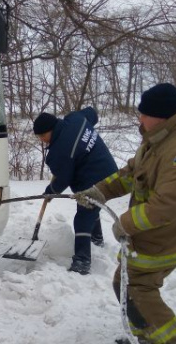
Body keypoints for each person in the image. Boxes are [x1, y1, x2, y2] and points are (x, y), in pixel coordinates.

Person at [75, 83, 176, 344]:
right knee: (126, 282)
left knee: (135, 286)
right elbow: (131, 174)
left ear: (160, 115)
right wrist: (99, 192)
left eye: (143, 114)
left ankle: (168, 338)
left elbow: (169, 205)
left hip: (168, 236)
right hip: (151, 233)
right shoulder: (158, 138)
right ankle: (147, 333)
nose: (139, 119)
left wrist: (125, 223)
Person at [33, 107, 118, 275]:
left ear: (51, 129)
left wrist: (50, 191)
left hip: (96, 179)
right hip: (110, 171)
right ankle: (97, 239)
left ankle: (82, 261)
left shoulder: (60, 151)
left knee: (83, 217)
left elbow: (63, 179)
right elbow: (92, 113)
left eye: (43, 136)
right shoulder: (75, 118)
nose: (42, 140)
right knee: (92, 205)